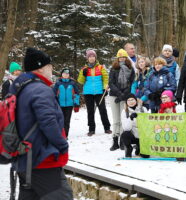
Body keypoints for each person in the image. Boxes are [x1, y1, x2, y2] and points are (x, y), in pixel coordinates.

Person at [10, 47, 73, 199]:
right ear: (41, 68)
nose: (52, 70)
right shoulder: (40, 89)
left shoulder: (19, 88)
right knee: (63, 196)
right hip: (42, 159)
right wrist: (62, 144)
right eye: (50, 66)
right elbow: (48, 121)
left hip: (24, 158)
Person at [78, 49, 111, 136]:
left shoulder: (100, 67)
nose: (91, 58)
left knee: (103, 110)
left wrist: (104, 88)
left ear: (95, 57)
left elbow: (105, 78)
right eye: (90, 56)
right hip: (88, 92)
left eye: (93, 56)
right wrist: (83, 74)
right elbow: (80, 81)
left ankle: (107, 128)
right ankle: (91, 129)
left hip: (99, 92)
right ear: (87, 58)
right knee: (90, 111)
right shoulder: (84, 69)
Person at [109, 49, 135, 151]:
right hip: (114, 96)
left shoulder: (130, 68)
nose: (122, 58)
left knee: (123, 118)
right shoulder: (113, 68)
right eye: (120, 57)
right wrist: (119, 94)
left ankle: (122, 142)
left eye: (123, 56)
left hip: (125, 96)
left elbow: (131, 83)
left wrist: (123, 95)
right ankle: (115, 140)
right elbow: (111, 83)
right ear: (118, 58)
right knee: (116, 119)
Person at [53, 68, 80, 138]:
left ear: (69, 75)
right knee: (60, 120)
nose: (65, 75)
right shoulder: (58, 83)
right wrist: (54, 104)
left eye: (67, 73)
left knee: (67, 121)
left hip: (69, 105)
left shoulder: (72, 83)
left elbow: (76, 94)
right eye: (64, 73)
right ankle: (60, 135)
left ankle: (65, 135)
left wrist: (76, 104)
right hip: (59, 105)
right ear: (61, 74)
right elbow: (54, 94)